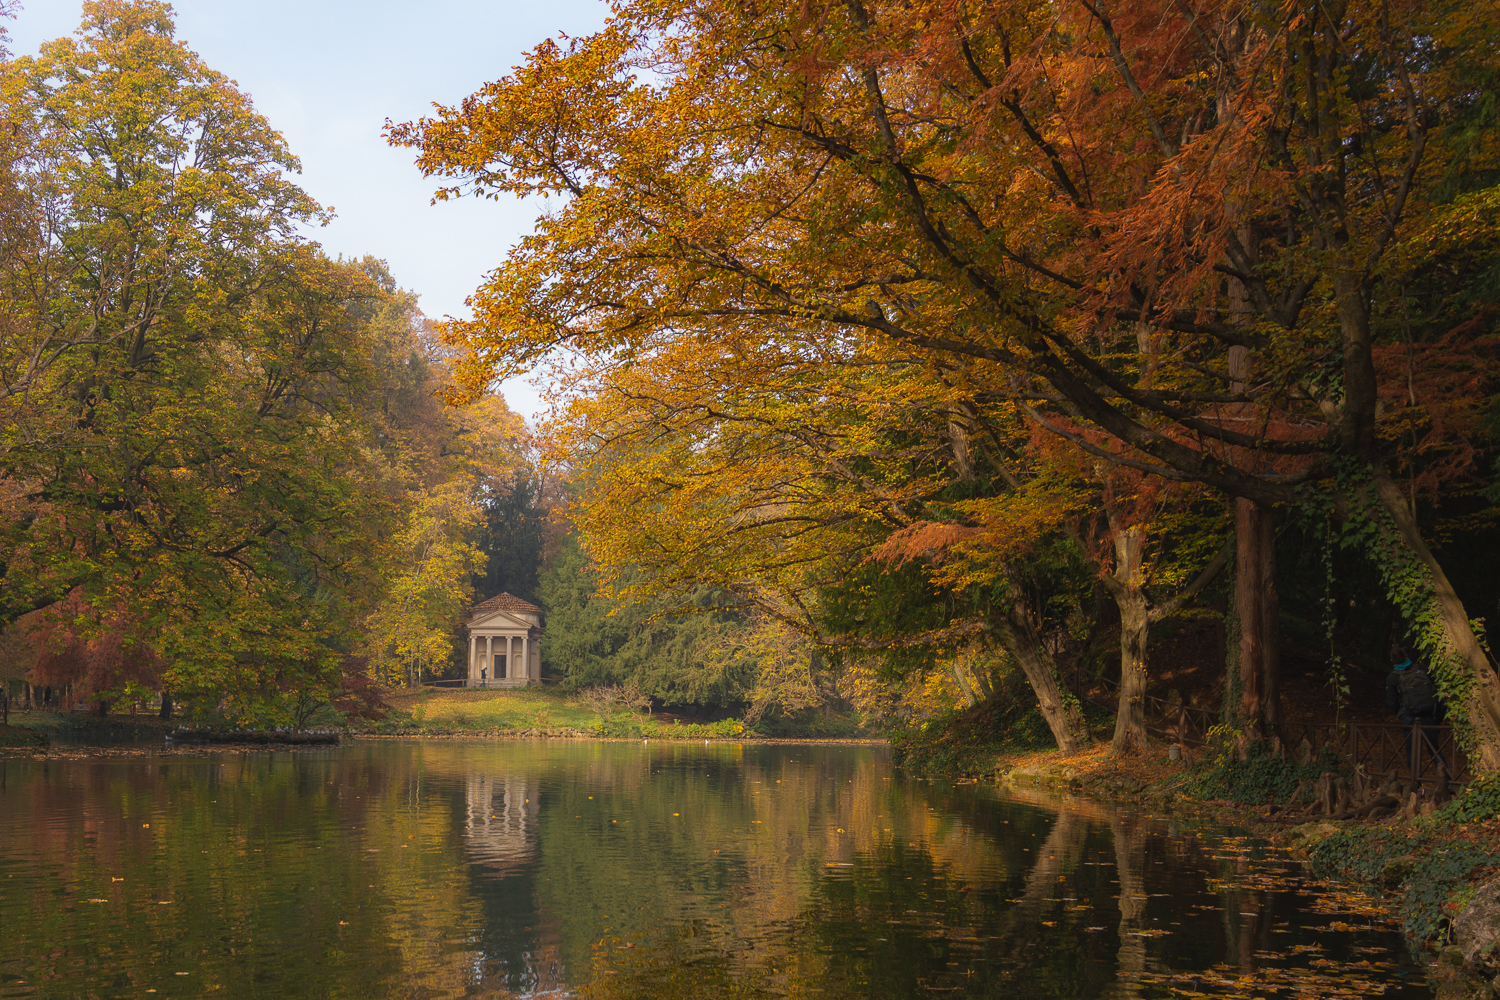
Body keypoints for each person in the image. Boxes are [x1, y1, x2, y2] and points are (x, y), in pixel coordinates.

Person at [1386, 644, 1445, 778]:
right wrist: (1440, 715)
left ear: (1391, 660)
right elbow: (1437, 691)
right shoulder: (1422, 669)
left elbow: (1392, 702)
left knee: (1412, 752)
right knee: (1435, 750)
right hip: (1429, 715)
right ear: (1406, 655)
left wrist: (1400, 714)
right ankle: (1447, 783)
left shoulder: (1393, 677)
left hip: (1409, 717)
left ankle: (1416, 785)